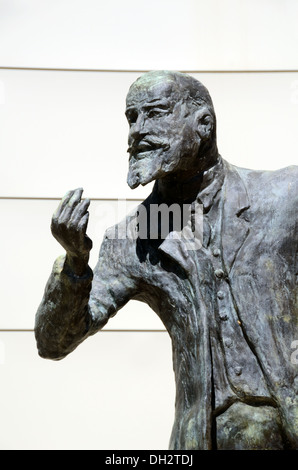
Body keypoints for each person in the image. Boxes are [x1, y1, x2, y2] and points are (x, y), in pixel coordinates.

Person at [35, 70, 298, 450]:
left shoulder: (285, 196)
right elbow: (53, 341)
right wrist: (75, 262)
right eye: (131, 118)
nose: (136, 132)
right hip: (207, 437)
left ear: (203, 124)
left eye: (155, 113)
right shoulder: (131, 238)